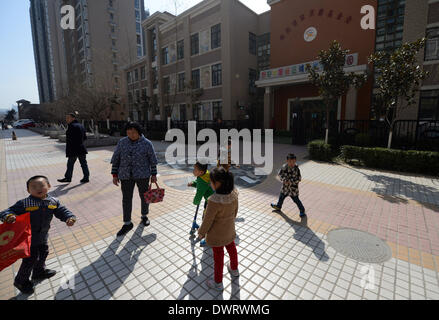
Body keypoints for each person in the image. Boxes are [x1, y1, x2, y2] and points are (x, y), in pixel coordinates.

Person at [0, 176, 76, 295]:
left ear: (49, 186)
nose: (38, 188)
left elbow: (62, 211)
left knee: (43, 253)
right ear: (28, 190)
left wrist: (69, 217)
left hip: (43, 236)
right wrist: (8, 217)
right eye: (34, 187)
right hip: (28, 238)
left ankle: (39, 272)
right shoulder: (25, 203)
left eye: (41, 185)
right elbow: (6, 212)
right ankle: (20, 281)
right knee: (30, 259)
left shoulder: (53, 201)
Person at [111, 122, 158, 237]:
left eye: (133, 132)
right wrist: (114, 175)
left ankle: (144, 216)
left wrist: (154, 174)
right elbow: (116, 158)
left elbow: (153, 160)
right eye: (128, 132)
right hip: (125, 175)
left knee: (144, 196)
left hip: (142, 175)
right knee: (126, 199)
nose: (131, 135)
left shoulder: (147, 143)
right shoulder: (122, 142)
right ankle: (127, 223)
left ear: (139, 132)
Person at [198, 167, 239, 291]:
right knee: (232, 249)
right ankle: (234, 269)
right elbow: (235, 212)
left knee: (218, 256)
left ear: (218, 183)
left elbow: (207, 220)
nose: (210, 184)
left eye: (211, 182)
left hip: (216, 235)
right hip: (229, 230)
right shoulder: (234, 195)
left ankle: (218, 282)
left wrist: (201, 233)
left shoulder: (214, 201)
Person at [58, 112, 90, 184]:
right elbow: (85, 137)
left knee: (70, 164)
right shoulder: (81, 125)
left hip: (73, 149)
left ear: (73, 118)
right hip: (81, 148)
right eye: (66, 118)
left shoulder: (71, 126)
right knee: (83, 164)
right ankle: (86, 177)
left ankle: (68, 178)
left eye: (68, 118)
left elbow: (69, 140)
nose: (67, 119)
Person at [187, 162, 214, 247]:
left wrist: (195, 202)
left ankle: (208, 238)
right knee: (208, 217)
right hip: (214, 198)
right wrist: (194, 183)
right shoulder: (206, 173)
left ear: (201, 172)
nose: (193, 171)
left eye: (195, 170)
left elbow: (199, 194)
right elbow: (201, 182)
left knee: (206, 219)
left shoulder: (202, 181)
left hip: (212, 202)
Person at [271, 153, 306, 218]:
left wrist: (291, 182)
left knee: (296, 200)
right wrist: (284, 180)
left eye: (293, 161)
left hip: (293, 189)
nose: (291, 163)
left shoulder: (296, 169)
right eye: (290, 161)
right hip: (285, 188)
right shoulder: (284, 167)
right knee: (281, 197)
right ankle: (278, 206)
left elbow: (299, 178)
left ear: (295, 161)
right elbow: (280, 175)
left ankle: (302, 210)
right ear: (287, 161)